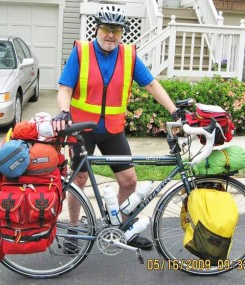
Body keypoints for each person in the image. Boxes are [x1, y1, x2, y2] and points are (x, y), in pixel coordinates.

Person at [53, 4, 178, 252]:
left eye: (116, 30)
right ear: (97, 29)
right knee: (78, 179)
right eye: (106, 29)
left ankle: (123, 230)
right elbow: (65, 89)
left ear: (122, 33)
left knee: (129, 181)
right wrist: (64, 111)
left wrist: (174, 110)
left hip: (112, 129)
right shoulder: (82, 52)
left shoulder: (129, 55)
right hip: (82, 128)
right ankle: (74, 230)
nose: (110, 35)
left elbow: (152, 85)